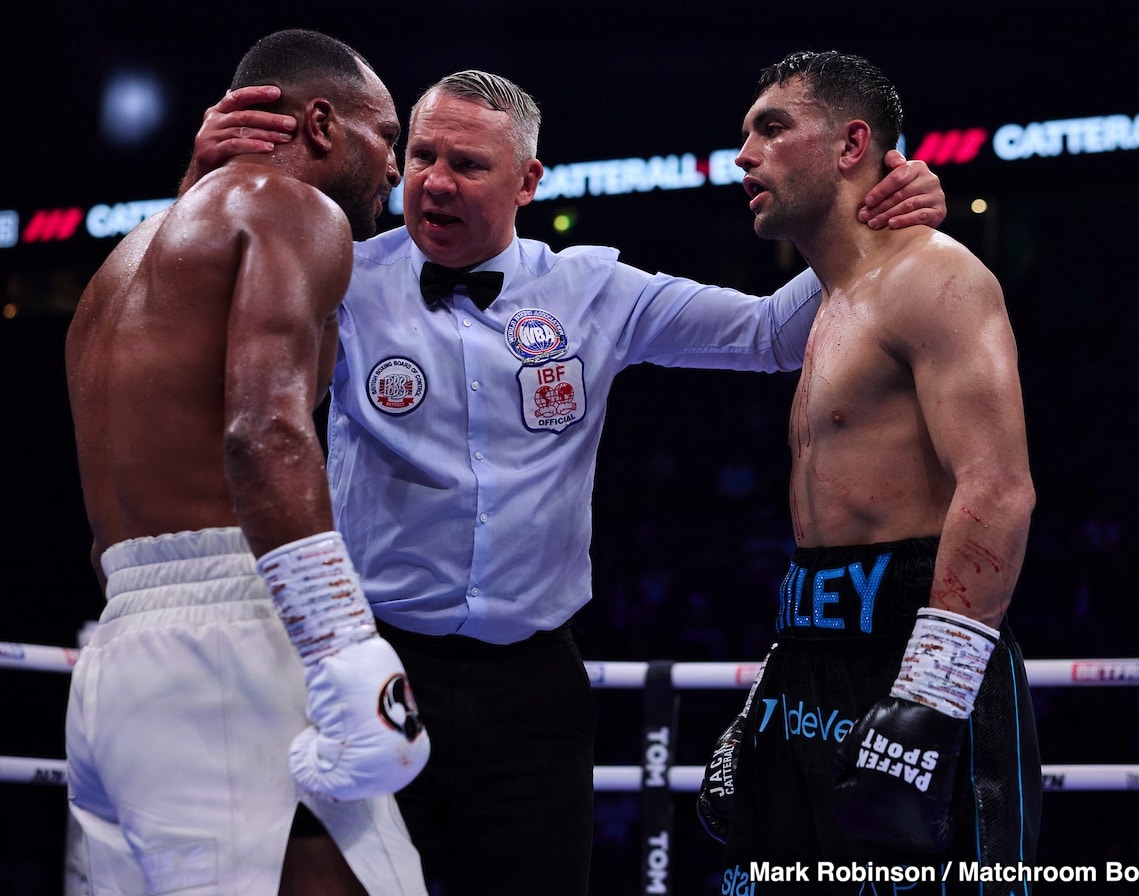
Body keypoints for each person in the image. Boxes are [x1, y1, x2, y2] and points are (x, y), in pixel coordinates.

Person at [182, 69, 947, 896]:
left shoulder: (593, 291)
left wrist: (874, 220)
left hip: (532, 693)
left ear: (528, 182)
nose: (434, 181)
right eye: (424, 156)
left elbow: (768, 334)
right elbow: (187, 327)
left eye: (467, 165)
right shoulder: (345, 275)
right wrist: (199, 188)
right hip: (375, 664)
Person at [64, 29, 431, 896]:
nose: (395, 170)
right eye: (387, 138)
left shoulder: (114, 274)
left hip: (119, 659)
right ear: (319, 121)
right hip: (235, 642)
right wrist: (345, 640)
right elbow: (261, 430)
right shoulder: (295, 210)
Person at [705, 50, 1040, 894]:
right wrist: (770, 695)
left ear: (853, 144)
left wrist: (931, 697)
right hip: (812, 647)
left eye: (772, 128)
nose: (744, 154)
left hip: (918, 645)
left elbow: (997, 488)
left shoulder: (937, 277)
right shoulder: (828, 303)